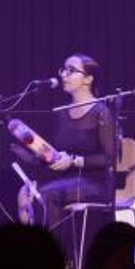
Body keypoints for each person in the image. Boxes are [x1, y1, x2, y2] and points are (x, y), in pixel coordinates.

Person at [14, 54, 116, 229]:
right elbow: (55, 155)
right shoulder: (61, 114)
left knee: (47, 195)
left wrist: (75, 161)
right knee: (27, 193)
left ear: (88, 79)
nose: (63, 75)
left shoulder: (101, 112)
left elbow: (109, 158)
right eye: (63, 69)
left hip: (95, 183)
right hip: (64, 180)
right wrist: (31, 154)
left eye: (71, 70)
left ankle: (56, 254)